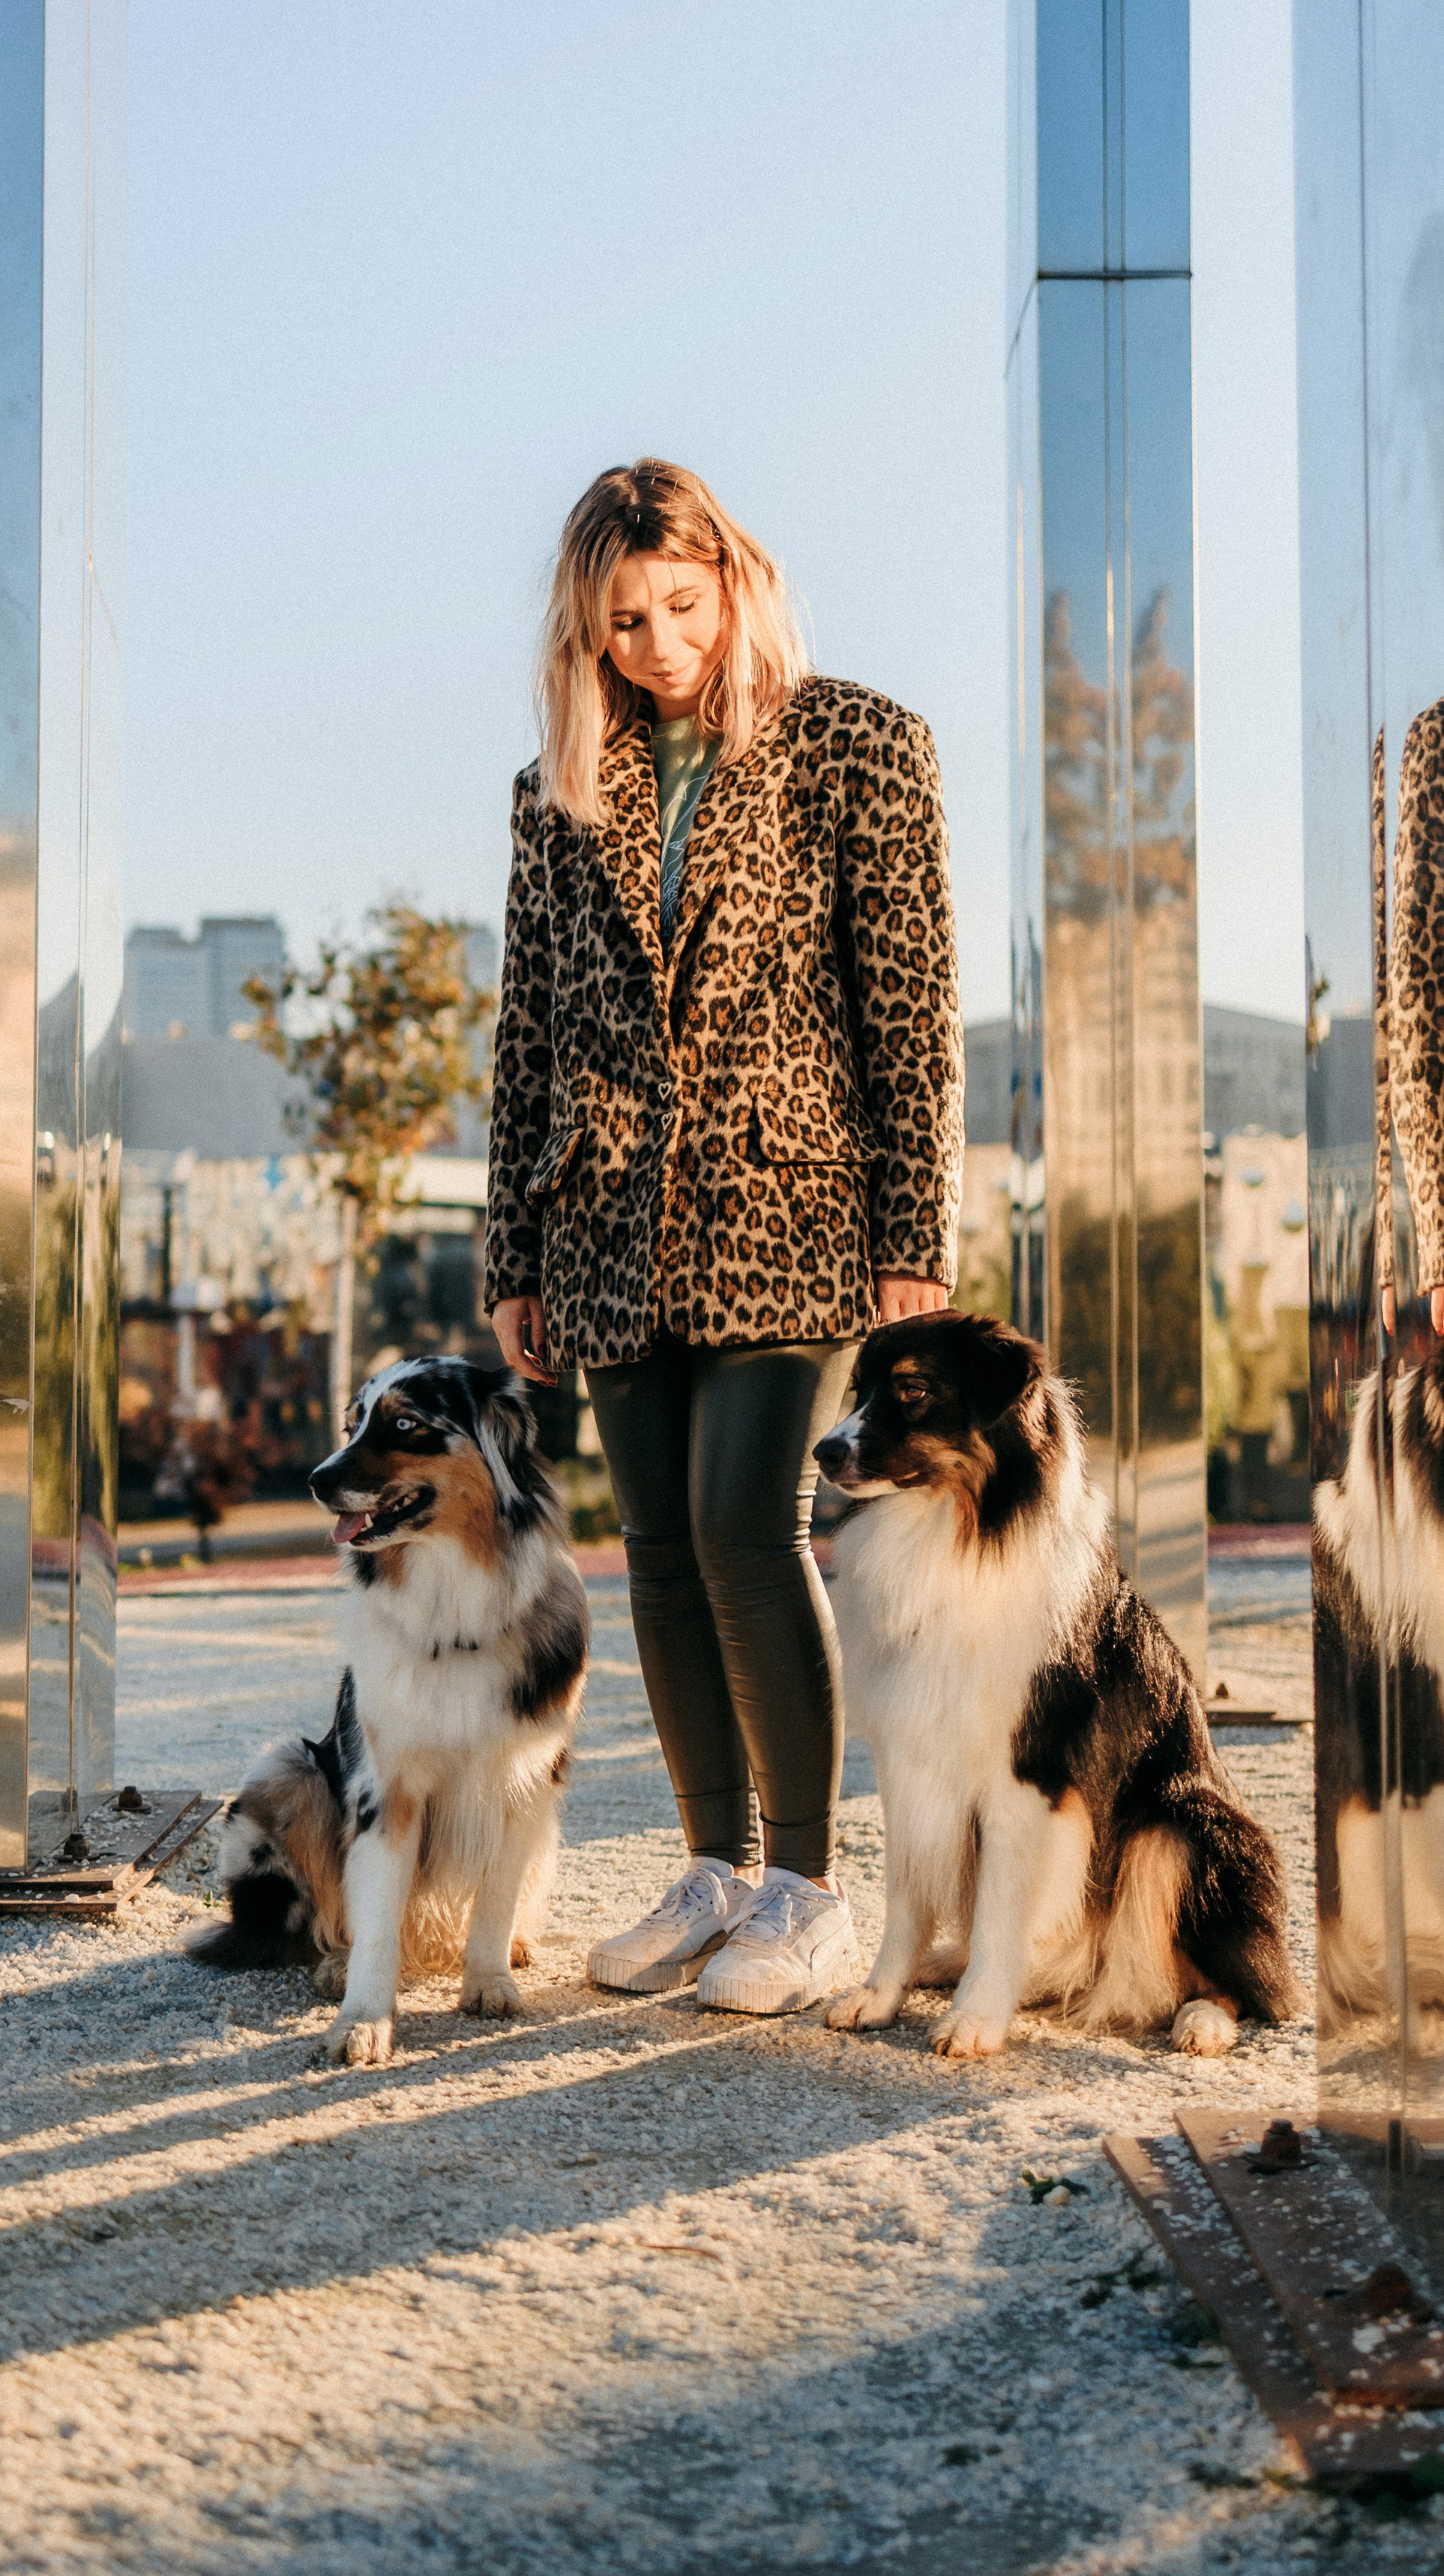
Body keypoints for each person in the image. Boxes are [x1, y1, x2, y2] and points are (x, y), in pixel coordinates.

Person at [484, 458, 964, 2017]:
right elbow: (527, 1032)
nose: (654, 642)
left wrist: (914, 1236)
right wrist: (511, 1255)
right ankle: (710, 1870)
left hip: (791, 1198)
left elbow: (909, 1014)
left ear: (732, 581)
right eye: (619, 619)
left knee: (747, 1527)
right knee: (658, 1554)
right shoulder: (557, 784)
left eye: (678, 606)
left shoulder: (859, 746)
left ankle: (809, 1889)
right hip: (605, 1213)